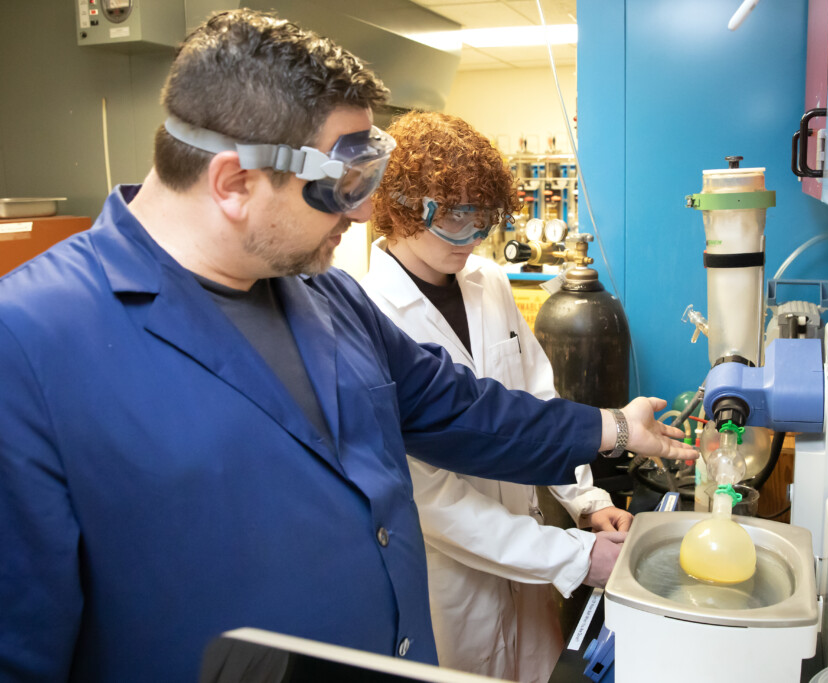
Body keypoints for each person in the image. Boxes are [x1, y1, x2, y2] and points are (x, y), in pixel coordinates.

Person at [0, 10, 693, 683]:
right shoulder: (32, 342)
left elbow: (460, 410)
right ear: (235, 183)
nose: (365, 211)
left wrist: (614, 427)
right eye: (343, 183)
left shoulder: (324, 294)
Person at [361, 111, 633, 682]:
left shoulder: (489, 282)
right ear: (403, 204)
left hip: (531, 564)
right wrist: (573, 558)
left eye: (481, 216)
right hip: (451, 580)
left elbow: (534, 402)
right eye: (456, 215)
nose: (472, 235)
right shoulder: (369, 311)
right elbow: (429, 498)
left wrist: (587, 503)